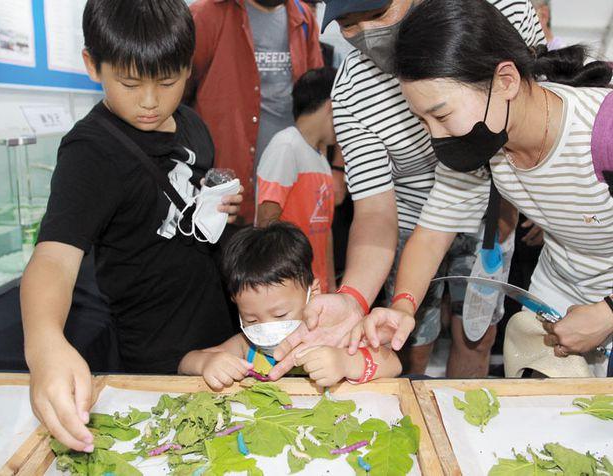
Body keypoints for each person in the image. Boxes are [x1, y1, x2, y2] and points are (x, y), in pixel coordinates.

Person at [268, 0, 546, 380]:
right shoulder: (352, 93)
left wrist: (514, 200)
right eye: (349, 24)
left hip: (489, 218)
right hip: (412, 222)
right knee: (408, 339)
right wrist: (353, 298)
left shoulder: (497, 12)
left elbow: (538, 102)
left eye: (378, 15)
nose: (367, 32)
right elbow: (375, 213)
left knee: (477, 333)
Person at [21, 0, 243, 453]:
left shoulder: (194, 127)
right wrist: (45, 343)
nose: (149, 101)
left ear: (188, 69)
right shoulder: (90, 152)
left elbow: (175, 213)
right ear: (92, 65)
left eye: (168, 82)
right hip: (156, 354)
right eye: (128, 82)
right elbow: (54, 259)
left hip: (219, 330)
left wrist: (215, 208)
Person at [363, 0, 613, 377]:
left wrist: (607, 314)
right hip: (558, 299)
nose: (436, 134)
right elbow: (432, 236)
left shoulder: (601, 131)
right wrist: (402, 307)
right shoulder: (484, 146)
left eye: (442, 114)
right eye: (422, 119)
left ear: (506, 81)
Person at [179, 223, 401, 389]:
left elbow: (393, 365)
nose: (266, 327)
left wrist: (345, 362)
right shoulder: (246, 346)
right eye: (251, 319)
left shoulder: (335, 336)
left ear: (313, 293)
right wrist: (208, 363)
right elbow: (186, 362)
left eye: (280, 314)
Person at [185, 0, 324, 225]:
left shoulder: (303, 17)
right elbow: (177, 94)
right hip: (223, 191)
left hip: (288, 187)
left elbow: (317, 100)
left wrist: (332, 169)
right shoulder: (206, 16)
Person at [256, 67, 337, 293]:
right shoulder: (286, 146)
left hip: (316, 287)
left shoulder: (320, 158)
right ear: (332, 105)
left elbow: (325, 230)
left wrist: (331, 286)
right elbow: (266, 223)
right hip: (290, 287)